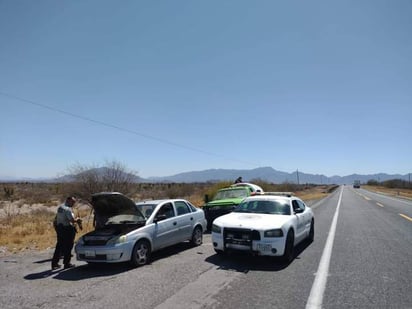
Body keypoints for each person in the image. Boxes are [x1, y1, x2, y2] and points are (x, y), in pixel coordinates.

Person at [51, 196, 81, 270]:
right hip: (67, 229)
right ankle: (66, 263)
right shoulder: (67, 209)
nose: (73, 203)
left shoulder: (60, 207)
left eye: (74, 202)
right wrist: (78, 219)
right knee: (68, 246)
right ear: (68, 200)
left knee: (59, 246)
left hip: (60, 228)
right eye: (72, 202)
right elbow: (72, 220)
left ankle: (54, 263)